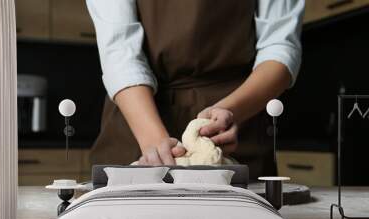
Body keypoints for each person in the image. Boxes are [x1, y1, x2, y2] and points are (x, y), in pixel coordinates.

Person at [86, 0, 304, 178]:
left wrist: (231, 110)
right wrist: (154, 143)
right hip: (137, 119)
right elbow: (119, 52)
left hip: (235, 124)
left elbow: (280, 47)